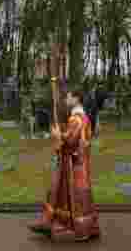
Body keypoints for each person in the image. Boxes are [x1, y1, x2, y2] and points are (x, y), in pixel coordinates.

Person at [29, 87, 100, 241]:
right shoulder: (84, 117)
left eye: (68, 97)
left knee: (71, 196)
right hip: (80, 162)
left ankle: (80, 229)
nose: (66, 100)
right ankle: (54, 223)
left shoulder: (76, 118)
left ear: (76, 99)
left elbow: (70, 140)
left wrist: (57, 135)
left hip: (72, 164)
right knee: (71, 195)